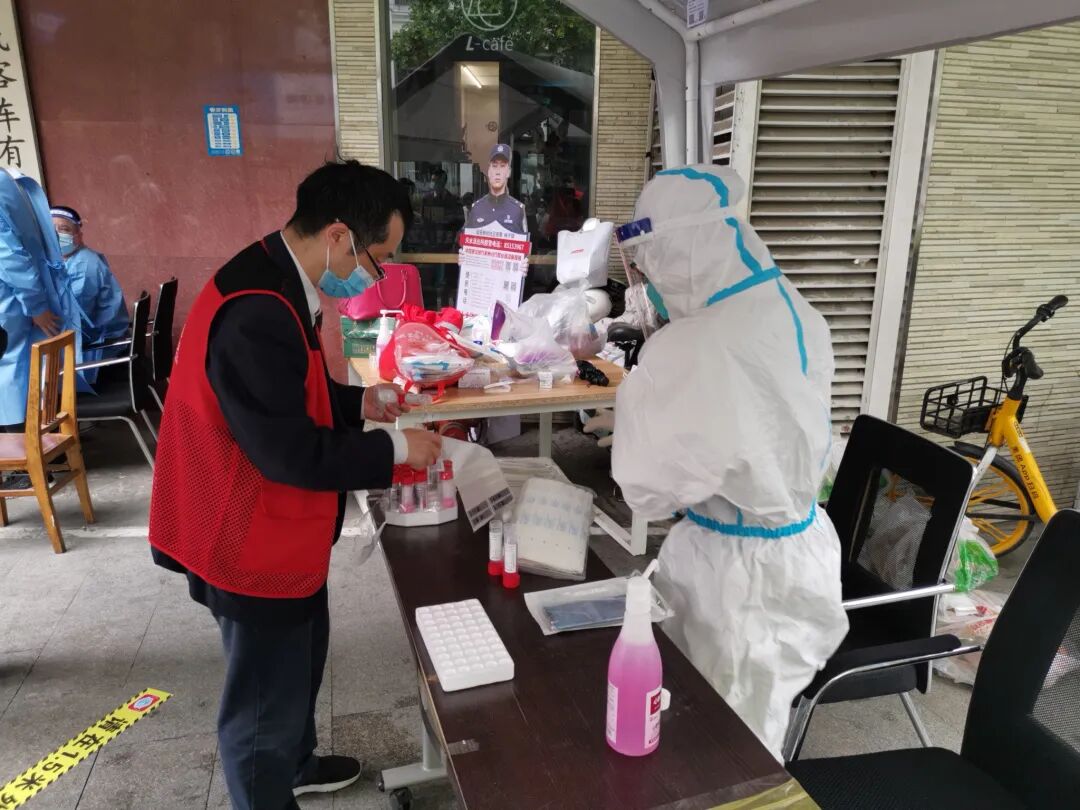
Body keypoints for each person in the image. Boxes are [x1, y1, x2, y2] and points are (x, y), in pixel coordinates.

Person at [147, 161, 443, 810]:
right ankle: (268, 787)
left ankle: (298, 763)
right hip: (246, 538)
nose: (376, 276)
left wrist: (360, 403)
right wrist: (396, 449)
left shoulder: (279, 276)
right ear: (338, 235)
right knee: (261, 707)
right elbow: (289, 451)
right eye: (377, 258)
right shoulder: (257, 311)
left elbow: (289, 395)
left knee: (302, 658)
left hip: (281, 533)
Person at [610, 165, 848, 760]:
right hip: (801, 554)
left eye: (649, 264)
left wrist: (642, 393)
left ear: (678, 252)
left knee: (724, 750)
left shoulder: (699, 343)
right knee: (754, 723)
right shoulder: (798, 311)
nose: (647, 282)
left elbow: (645, 489)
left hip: (733, 579)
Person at [51, 205, 128, 385]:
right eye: (51, 229)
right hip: (97, 340)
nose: (56, 235)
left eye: (64, 229)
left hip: (99, 350)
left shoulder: (83, 266)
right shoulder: (72, 260)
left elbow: (75, 319)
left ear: (78, 236)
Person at [465, 144, 527, 235]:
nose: (498, 172)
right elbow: (467, 240)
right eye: (494, 166)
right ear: (488, 171)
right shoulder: (476, 208)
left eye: (502, 166)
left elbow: (523, 242)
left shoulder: (518, 210)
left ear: (508, 172)